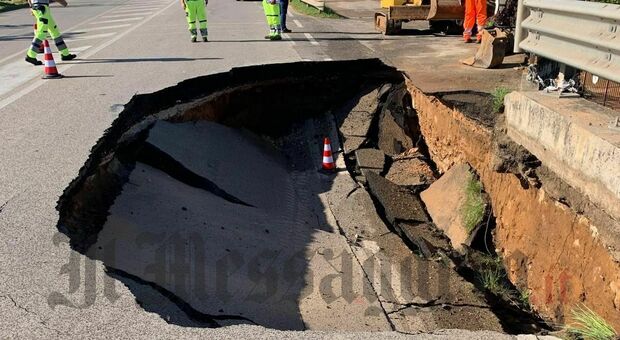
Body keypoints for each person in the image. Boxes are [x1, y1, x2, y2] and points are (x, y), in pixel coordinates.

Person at [25, 0, 76, 66]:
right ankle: (31, 55)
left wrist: (31, 7)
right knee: (42, 32)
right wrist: (63, 2)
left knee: (54, 31)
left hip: (40, 8)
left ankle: (65, 54)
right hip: (42, 8)